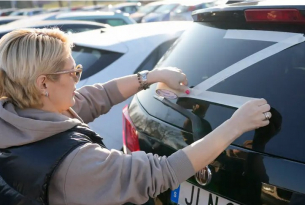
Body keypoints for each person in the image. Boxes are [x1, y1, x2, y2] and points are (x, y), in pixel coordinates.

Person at [0, 28, 272, 205]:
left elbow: (97, 97)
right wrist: (236, 125)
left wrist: (151, 77)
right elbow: (162, 172)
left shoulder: (18, 117)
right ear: (43, 84)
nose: (77, 81)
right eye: (73, 73)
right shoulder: (77, 163)